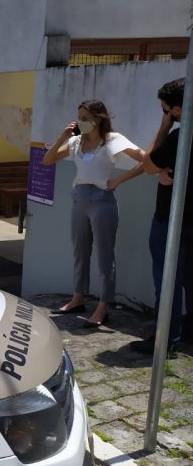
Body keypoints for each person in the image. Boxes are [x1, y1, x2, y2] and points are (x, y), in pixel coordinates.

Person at [42, 99, 144, 328]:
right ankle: (78, 297)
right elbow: (47, 160)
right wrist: (62, 137)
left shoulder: (112, 140)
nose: (80, 121)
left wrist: (118, 180)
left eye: (84, 118)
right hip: (79, 198)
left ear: (97, 119)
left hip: (102, 200)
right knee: (80, 250)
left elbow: (145, 159)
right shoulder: (77, 141)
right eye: (79, 117)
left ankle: (103, 305)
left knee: (105, 255)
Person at [131, 78, 192, 357]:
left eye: (165, 110)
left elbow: (147, 164)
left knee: (167, 280)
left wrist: (164, 127)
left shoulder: (180, 135)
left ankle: (165, 339)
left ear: (177, 110)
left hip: (172, 220)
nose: (164, 114)